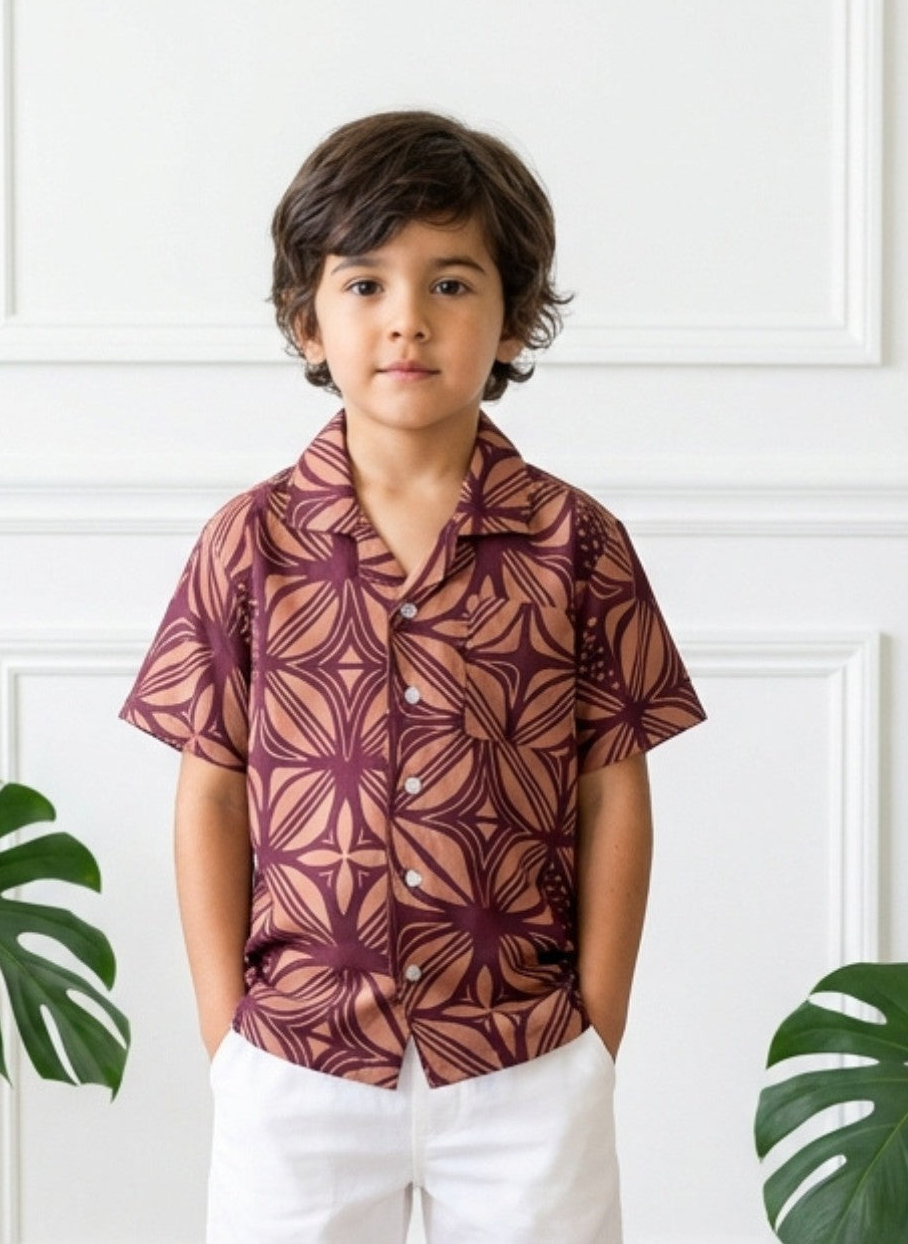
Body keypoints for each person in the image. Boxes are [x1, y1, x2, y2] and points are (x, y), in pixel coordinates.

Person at [120, 110, 706, 1243]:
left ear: (515, 316)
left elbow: (610, 788)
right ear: (307, 321)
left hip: (526, 1059)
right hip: (296, 1061)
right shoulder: (248, 544)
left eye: (449, 284)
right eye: (365, 285)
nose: (407, 322)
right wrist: (223, 1033)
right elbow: (210, 789)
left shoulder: (577, 544)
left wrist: (597, 1028)